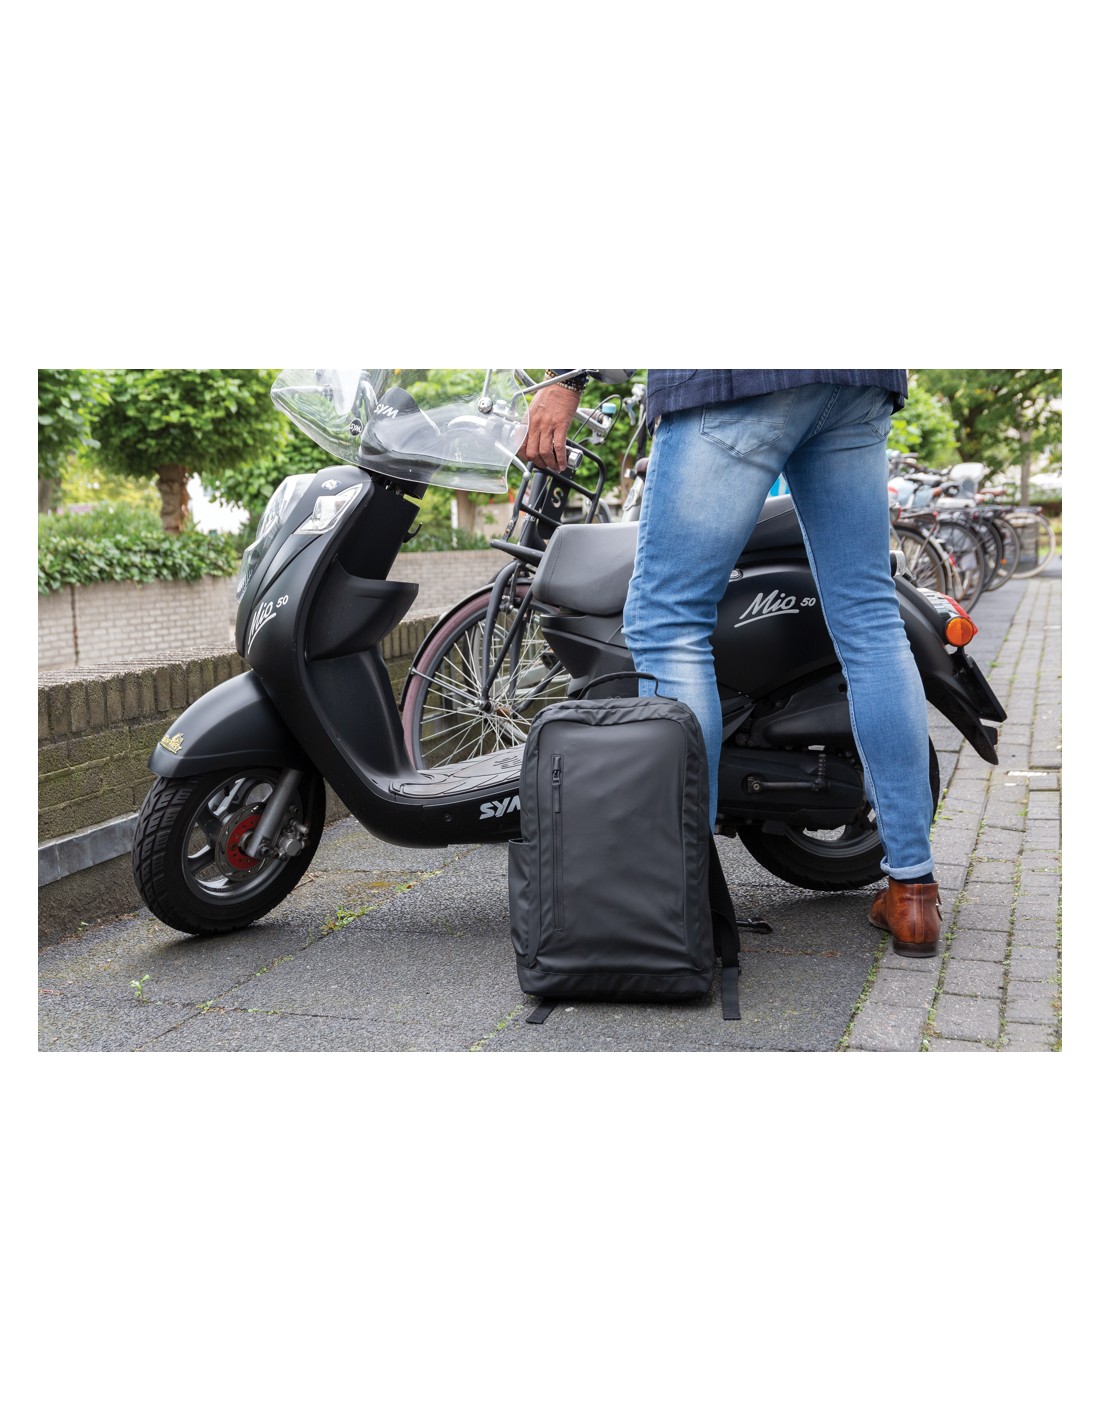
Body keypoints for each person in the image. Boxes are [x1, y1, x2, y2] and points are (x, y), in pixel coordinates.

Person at [517, 368, 942, 958]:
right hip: (856, 378)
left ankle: (682, 901)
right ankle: (914, 893)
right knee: (869, 618)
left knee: (670, 618)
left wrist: (566, 377)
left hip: (732, 377)